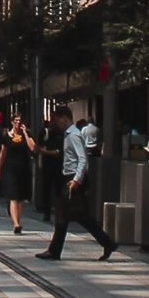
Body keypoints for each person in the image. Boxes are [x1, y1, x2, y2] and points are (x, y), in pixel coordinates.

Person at [35, 105, 117, 264]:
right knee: (67, 215)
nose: (54, 123)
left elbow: (83, 159)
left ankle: (107, 243)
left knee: (74, 215)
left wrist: (76, 180)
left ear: (64, 118)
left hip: (72, 179)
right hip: (68, 177)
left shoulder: (73, 135)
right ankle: (55, 250)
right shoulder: (68, 134)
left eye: (55, 120)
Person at [0, 115, 35, 233]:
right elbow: (3, 154)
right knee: (13, 196)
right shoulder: (6, 136)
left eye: (20, 120)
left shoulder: (26, 134)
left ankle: (18, 221)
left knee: (20, 198)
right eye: (16, 120)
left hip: (23, 169)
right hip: (10, 169)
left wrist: (25, 133)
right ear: (12, 122)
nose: (18, 122)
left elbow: (33, 147)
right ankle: (16, 224)